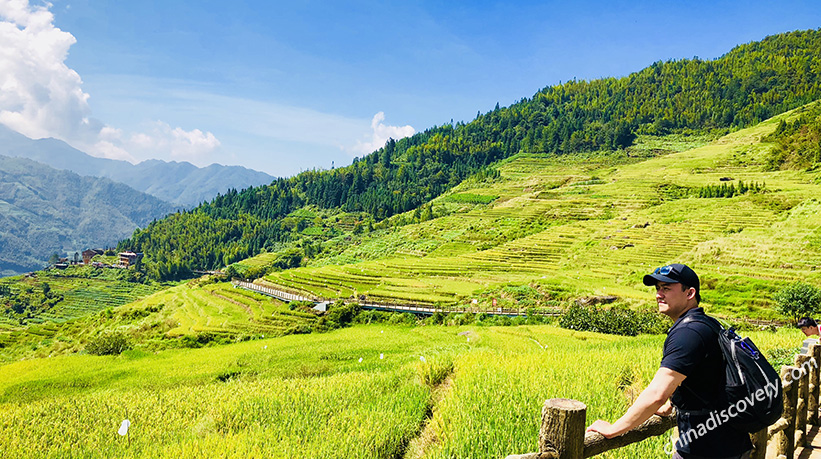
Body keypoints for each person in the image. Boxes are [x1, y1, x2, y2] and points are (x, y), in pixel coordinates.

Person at [586, 263, 752, 459]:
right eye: (657, 288)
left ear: (690, 293)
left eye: (666, 288)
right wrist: (672, 404)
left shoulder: (688, 333)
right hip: (730, 443)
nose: (658, 294)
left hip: (705, 449)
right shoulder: (707, 323)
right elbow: (704, 376)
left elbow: (656, 393)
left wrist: (614, 429)